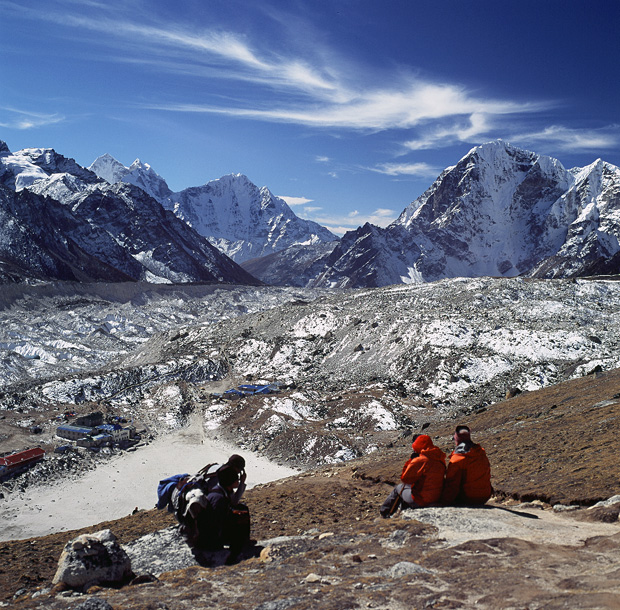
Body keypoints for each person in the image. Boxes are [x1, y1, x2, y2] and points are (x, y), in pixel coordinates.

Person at [195, 464, 251, 564]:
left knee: (242, 510)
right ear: (230, 482)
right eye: (236, 480)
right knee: (240, 519)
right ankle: (235, 554)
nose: (238, 481)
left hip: (211, 534)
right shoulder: (219, 498)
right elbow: (216, 522)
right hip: (211, 538)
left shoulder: (221, 491)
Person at [380, 434, 446, 517]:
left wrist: (411, 461)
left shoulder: (420, 461)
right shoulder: (440, 458)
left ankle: (385, 513)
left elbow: (405, 478)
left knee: (399, 488)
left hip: (421, 500)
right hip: (436, 497)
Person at [441, 425, 492, 506]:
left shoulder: (458, 458)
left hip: (469, 498)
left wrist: (443, 502)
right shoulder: (481, 452)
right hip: (485, 495)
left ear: (457, 438)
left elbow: (452, 485)